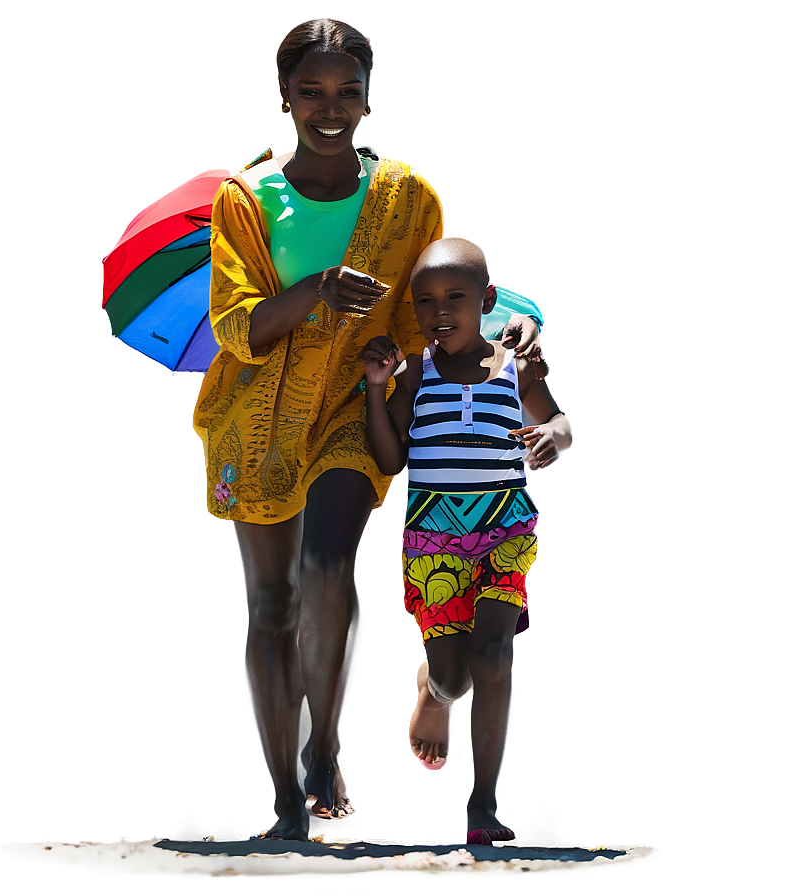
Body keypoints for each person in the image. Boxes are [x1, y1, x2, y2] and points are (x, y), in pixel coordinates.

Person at [193, 19, 542, 841]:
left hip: (358, 408)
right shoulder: (244, 199)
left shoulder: (406, 196)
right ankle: (284, 788)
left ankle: (327, 749)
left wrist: (517, 325)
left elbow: (442, 301)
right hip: (259, 421)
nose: (330, 108)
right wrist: (315, 287)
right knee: (273, 600)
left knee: (326, 568)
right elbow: (236, 326)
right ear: (285, 97)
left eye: (347, 91)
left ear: (367, 99)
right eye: (311, 92)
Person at [361, 238, 571, 845]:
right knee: (455, 677)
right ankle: (434, 690)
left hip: (508, 523)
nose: (439, 311)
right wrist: (377, 390)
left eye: (455, 297)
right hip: (434, 535)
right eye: (424, 301)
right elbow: (389, 458)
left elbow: (559, 418)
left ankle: (484, 800)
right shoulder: (414, 373)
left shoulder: (518, 365)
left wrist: (557, 435)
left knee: (496, 658)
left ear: (487, 301)